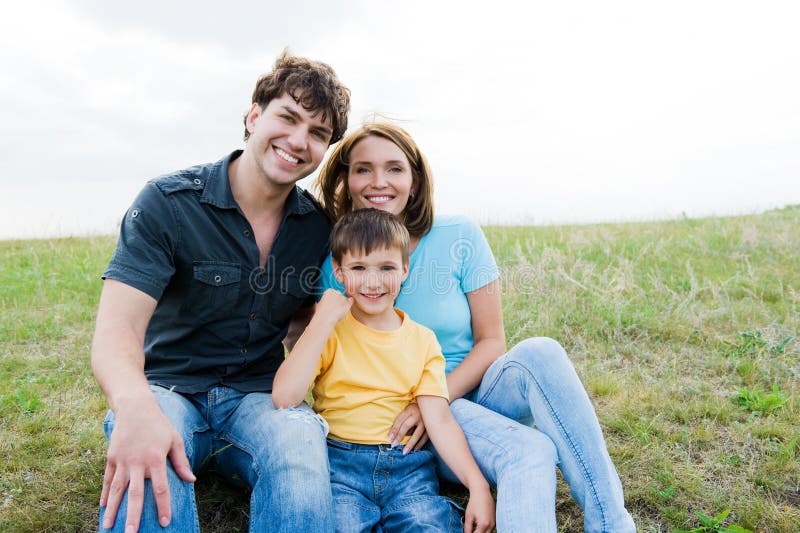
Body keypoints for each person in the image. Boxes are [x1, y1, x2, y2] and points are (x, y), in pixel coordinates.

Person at [315, 123, 637, 532]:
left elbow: (492, 340)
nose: (379, 182)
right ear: (346, 178)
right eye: (363, 169)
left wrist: (431, 400)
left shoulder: (459, 235)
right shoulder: (339, 264)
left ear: (414, 180)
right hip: (402, 428)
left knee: (541, 351)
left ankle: (611, 523)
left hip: (464, 394)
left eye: (394, 168)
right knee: (529, 448)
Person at [91, 50, 350, 532]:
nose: (299, 141)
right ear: (254, 117)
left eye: (318, 133)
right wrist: (133, 404)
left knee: (301, 444)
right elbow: (117, 330)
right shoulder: (168, 203)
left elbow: (313, 318)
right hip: (167, 389)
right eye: (288, 118)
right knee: (149, 469)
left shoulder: (318, 228)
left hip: (260, 398)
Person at [272, 208, 495, 533]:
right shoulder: (330, 331)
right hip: (340, 467)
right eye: (359, 268)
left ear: (404, 269)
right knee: (343, 526)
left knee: (426, 524)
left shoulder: (423, 341)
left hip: (407, 468)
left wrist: (477, 486)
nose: (373, 282)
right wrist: (321, 320)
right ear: (339, 271)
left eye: (386, 267)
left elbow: (440, 420)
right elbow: (284, 396)